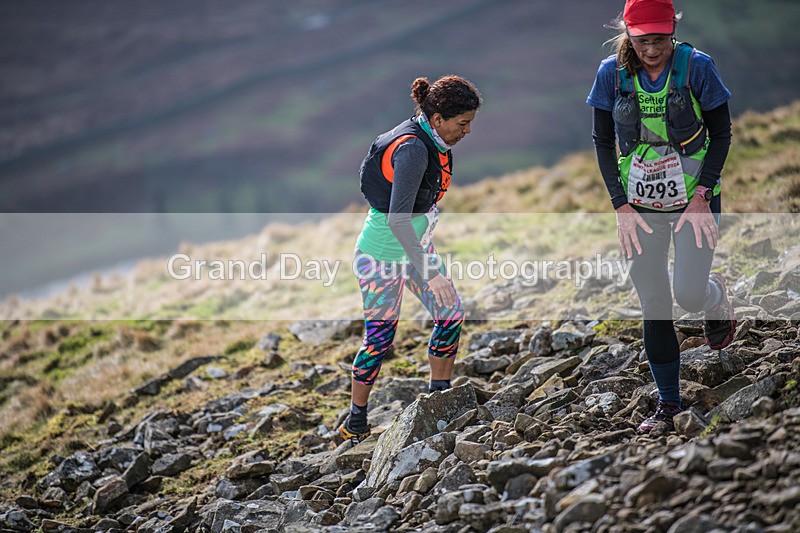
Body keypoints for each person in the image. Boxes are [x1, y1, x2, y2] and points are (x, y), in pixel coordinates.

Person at [587, 0, 737, 433]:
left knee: (687, 295)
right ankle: (668, 404)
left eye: (660, 39)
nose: (652, 50)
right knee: (654, 304)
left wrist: (703, 194)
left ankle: (713, 296)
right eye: (642, 41)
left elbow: (722, 133)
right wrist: (620, 207)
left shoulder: (698, 67)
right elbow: (602, 143)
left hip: (696, 201)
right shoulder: (609, 74)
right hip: (639, 207)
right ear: (627, 34)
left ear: (673, 30)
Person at [338, 75, 482, 443]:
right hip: (381, 257)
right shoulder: (413, 149)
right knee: (380, 340)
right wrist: (431, 270)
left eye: (470, 122)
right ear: (437, 119)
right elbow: (397, 219)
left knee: (450, 314)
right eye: (462, 123)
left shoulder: (431, 138)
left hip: (415, 249)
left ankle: (439, 398)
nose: (467, 131)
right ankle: (355, 421)